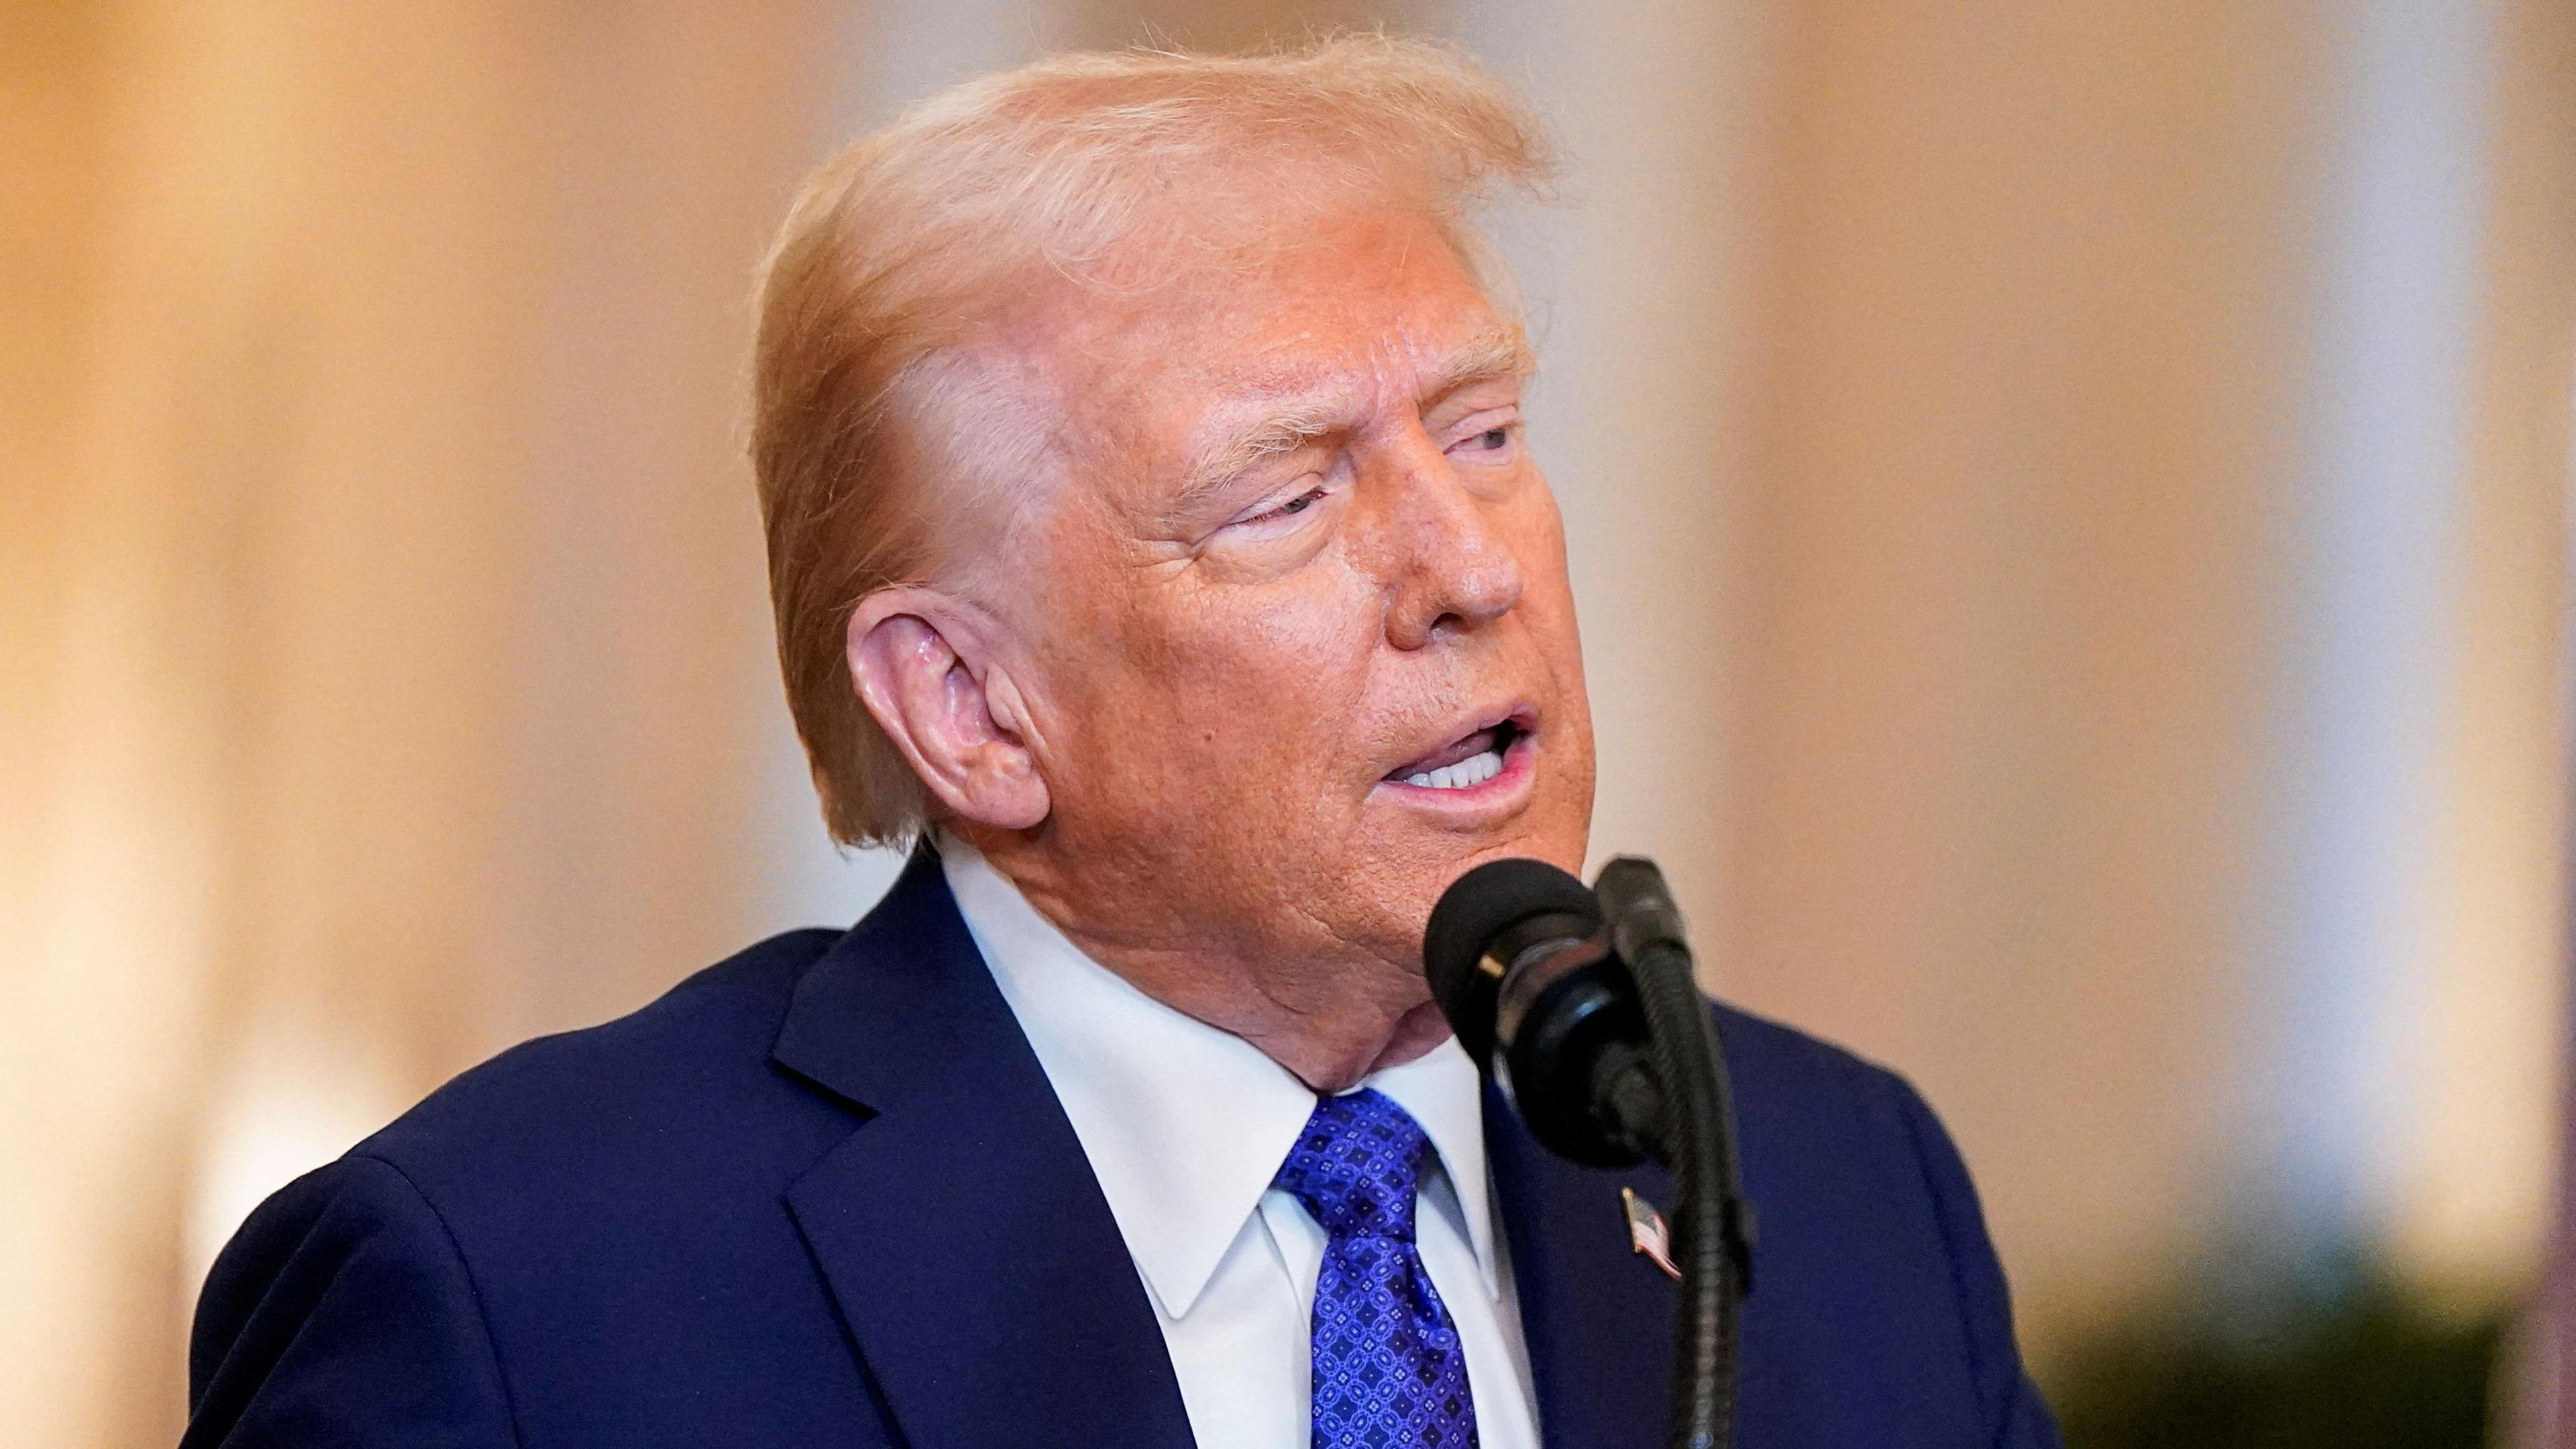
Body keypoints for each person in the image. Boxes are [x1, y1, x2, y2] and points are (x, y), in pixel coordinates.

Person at [182, 38, 2059, 1449]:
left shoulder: (1835, 1192)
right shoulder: (522, 1295)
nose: (1471, 567)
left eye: (1484, 435)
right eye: (1288, 499)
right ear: (973, 708)